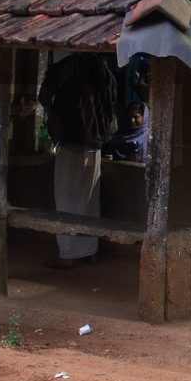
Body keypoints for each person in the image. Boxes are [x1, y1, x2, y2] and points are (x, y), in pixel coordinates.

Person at [38, 53, 118, 268]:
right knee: (90, 198)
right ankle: (88, 250)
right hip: (94, 145)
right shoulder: (103, 70)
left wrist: (55, 116)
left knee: (66, 198)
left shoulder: (65, 69)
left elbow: (44, 97)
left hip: (71, 143)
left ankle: (68, 254)